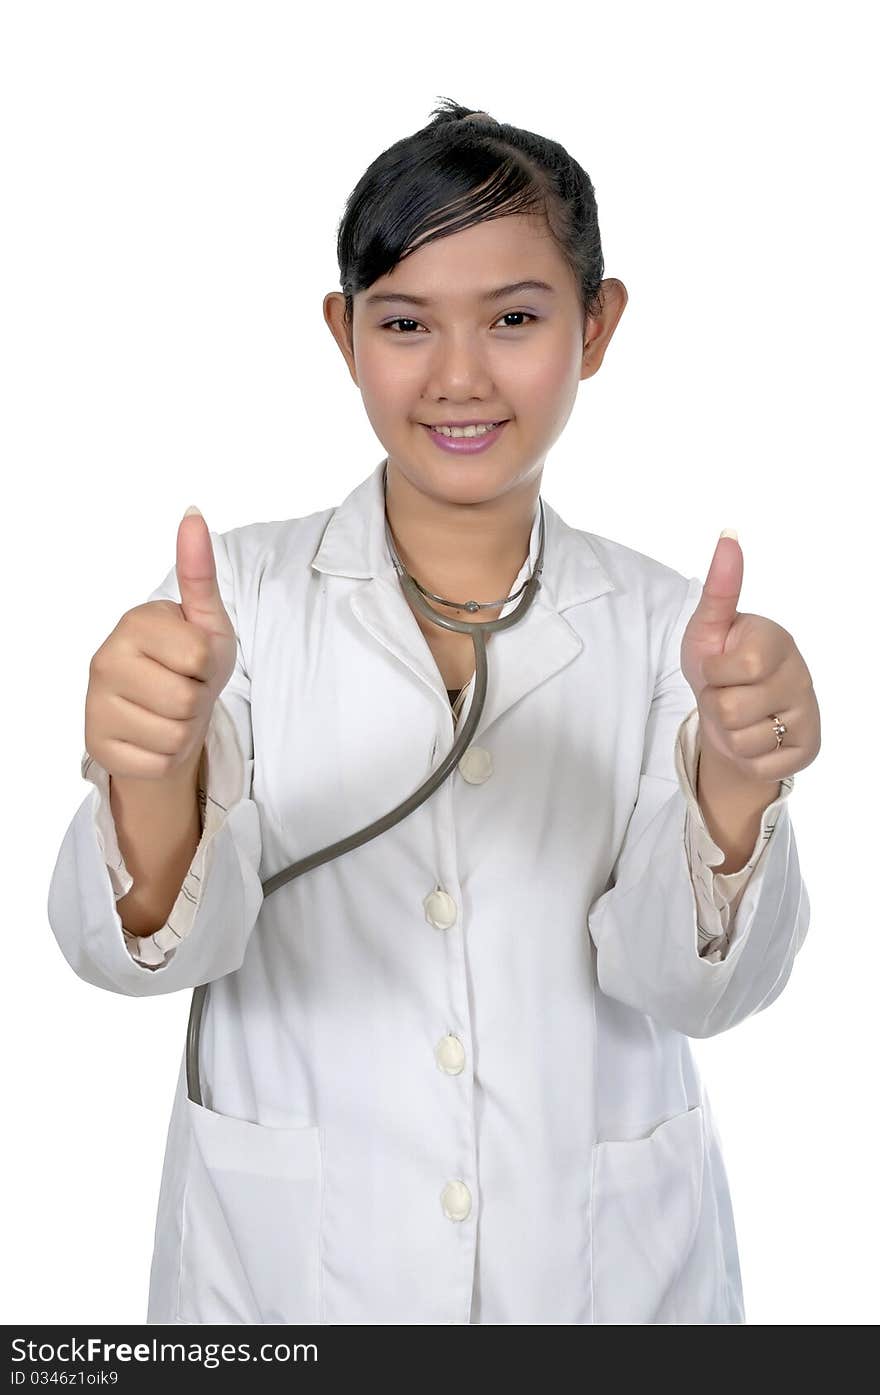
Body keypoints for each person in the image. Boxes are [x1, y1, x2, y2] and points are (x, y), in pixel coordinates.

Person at [47, 98, 817, 1325]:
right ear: (343, 332)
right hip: (290, 1286)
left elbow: (700, 995)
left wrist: (732, 779)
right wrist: (150, 773)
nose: (459, 376)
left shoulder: (676, 631)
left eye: (515, 319)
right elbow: (137, 962)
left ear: (597, 324)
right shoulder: (231, 603)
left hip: (605, 1280)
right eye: (405, 323)